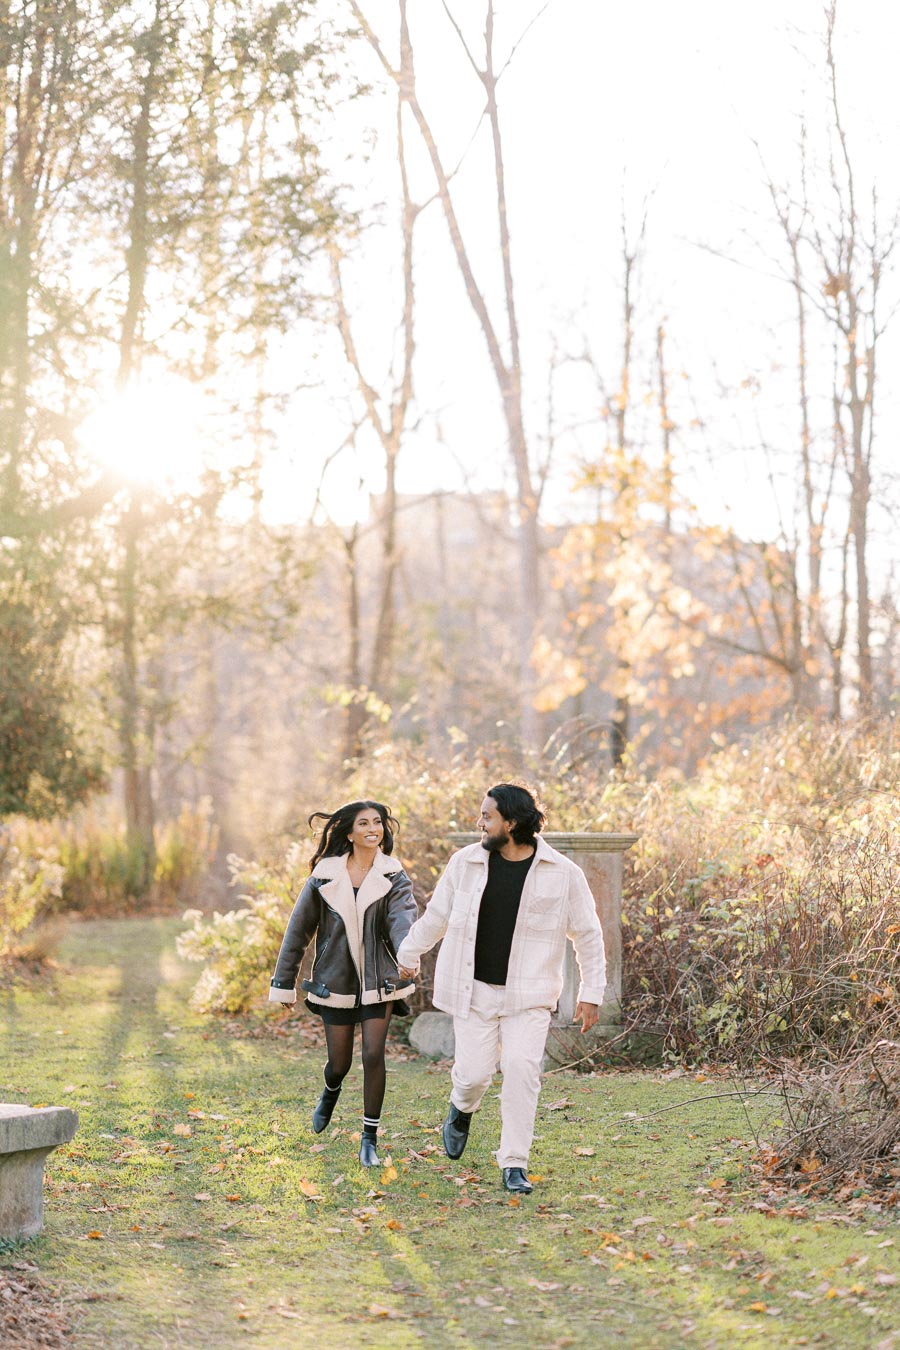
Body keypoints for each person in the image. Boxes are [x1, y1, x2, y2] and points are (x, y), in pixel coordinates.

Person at [396, 783, 606, 1195]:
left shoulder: (563, 874)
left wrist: (591, 992)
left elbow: (588, 934)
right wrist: (408, 954)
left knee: (523, 1071)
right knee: (474, 1075)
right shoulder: (465, 863)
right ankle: (461, 1107)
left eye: (487, 816)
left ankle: (514, 1163)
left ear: (510, 823)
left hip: (529, 997)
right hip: (473, 991)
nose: (479, 823)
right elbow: (436, 916)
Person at [269, 800, 417, 1167]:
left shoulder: (394, 875)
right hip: (334, 979)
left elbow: (402, 920)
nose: (373, 828)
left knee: (373, 1054)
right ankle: (330, 1090)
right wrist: (284, 982)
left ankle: (369, 1139)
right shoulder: (324, 876)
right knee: (340, 1062)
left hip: (379, 978)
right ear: (349, 833)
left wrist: (406, 955)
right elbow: (298, 931)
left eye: (378, 822)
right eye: (364, 823)